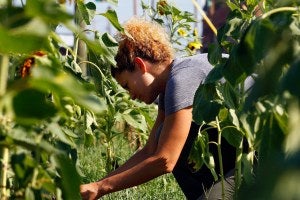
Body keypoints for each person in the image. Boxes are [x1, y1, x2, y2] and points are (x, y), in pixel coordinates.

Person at [80, 17, 236, 200]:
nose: (130, 95)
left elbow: (164, 160)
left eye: (127, 85)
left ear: (140, 65)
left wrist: (101, 187)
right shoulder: (169, 86)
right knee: (166, 134)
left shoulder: (182, 78)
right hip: (245, 150)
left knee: (174, 144)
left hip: (266, 154)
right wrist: (96, 186)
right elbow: (150, 151)